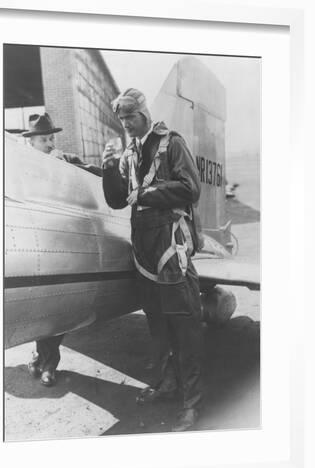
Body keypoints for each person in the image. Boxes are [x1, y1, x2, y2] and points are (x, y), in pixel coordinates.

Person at [102, 88, 204, 432]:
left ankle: (192, 405)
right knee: (158, 325)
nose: (127, 123)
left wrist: (145, 193)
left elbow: (191, 189)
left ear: (144, 112)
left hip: (170, 246)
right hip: (143, 248)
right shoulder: (128, 153)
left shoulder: (170, 142)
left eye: (131, 116)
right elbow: (118, 201)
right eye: (122, 118)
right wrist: (108, 168)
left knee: (184, 327)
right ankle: (168, 385)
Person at [23, 112, 102, 386]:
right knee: (40, 307)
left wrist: (66, 167)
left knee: (56, 310)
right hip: (38, 243)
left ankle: (48, 364)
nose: (48, 143)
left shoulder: (64, 160)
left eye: (50, 138)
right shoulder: (24, 167)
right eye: (43, 139)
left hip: (64, 243)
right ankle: (40, 357)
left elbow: (95, 174)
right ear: (31, 142)